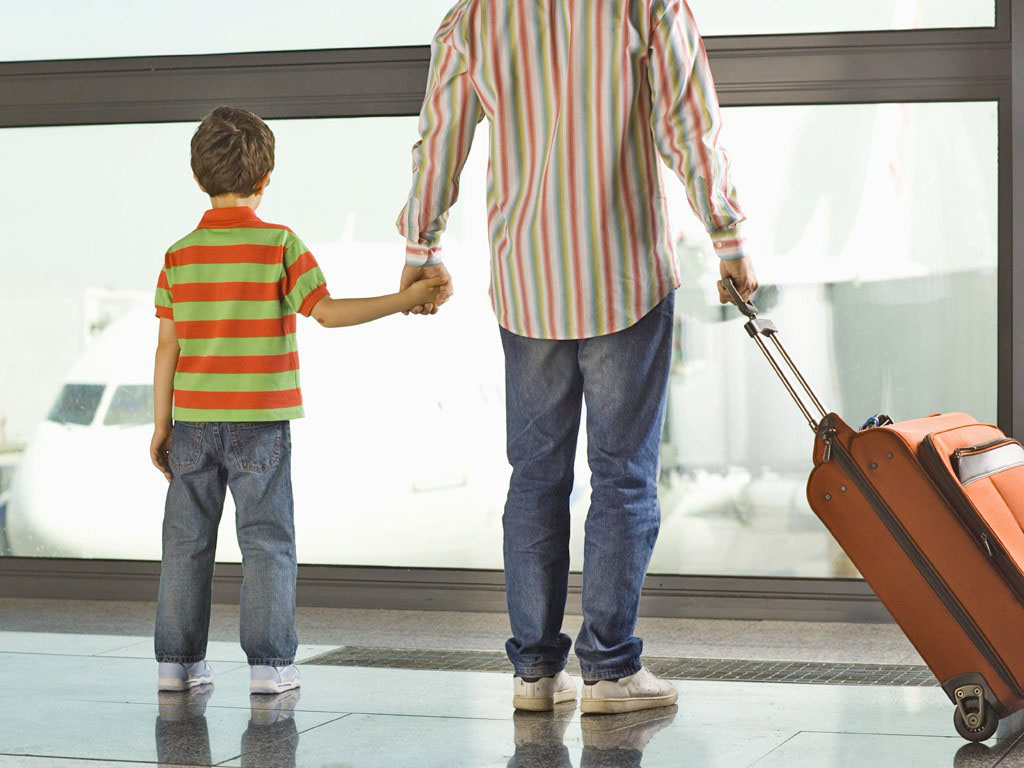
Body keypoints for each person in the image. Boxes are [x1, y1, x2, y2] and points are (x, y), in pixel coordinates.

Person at [398, 0, 757, 713]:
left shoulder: (475, 17)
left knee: (535, 477)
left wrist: (421, 246)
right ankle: (611, 673)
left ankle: (534, 674)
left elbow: (440, 140)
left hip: (528, 279)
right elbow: (689, 125)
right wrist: (728, 236)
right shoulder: (648, 6)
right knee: (622, 476)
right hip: (625, 274)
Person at [150, 106, 447, 695]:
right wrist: (402, 299)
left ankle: (176, 666)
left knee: (185, 545)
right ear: (265, 179)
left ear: (197, 177)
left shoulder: (178, 255)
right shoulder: (280, 245)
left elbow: (167, 349)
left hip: (192, 425)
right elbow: (327, 314)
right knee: (267, 542)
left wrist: (162, 426)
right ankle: (269, 668)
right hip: (259, 425)